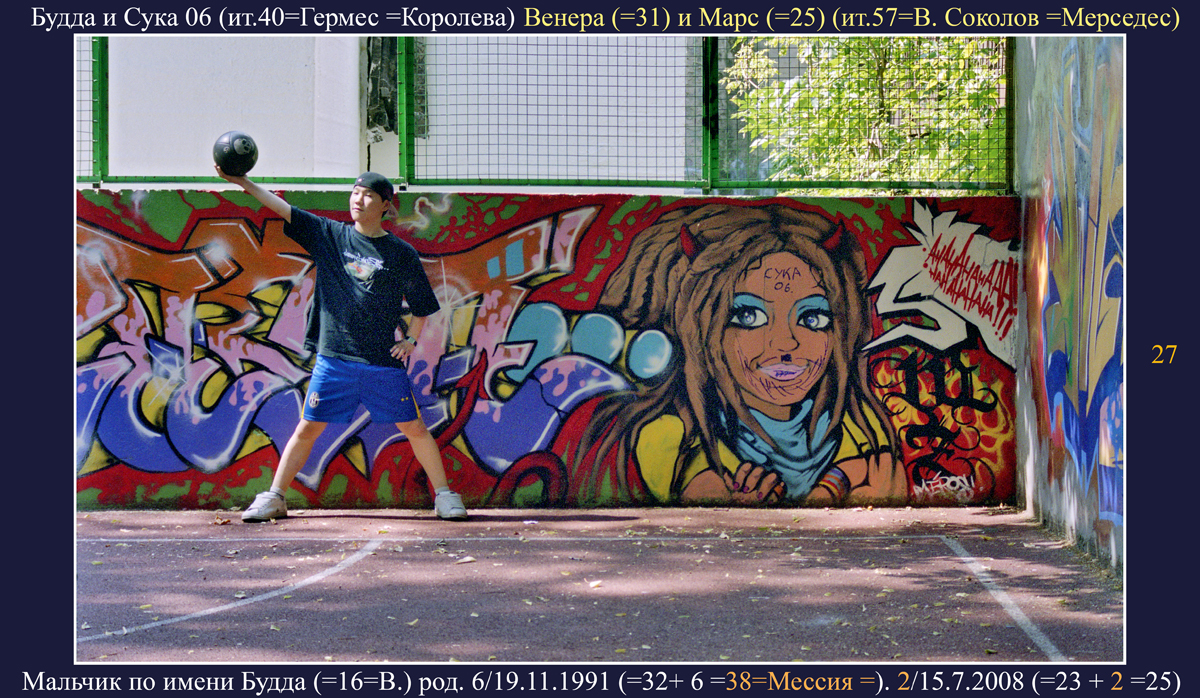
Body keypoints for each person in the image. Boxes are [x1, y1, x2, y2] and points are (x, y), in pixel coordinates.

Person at [571, 202, 905, 505]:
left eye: (812, 318)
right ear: (703, 330)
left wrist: (836, 489)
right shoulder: (671, 434)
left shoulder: (855, 426)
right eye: (748, 316)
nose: (785, 343)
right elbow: (705, 501)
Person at [215, 165, 468, 522]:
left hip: (381, 362)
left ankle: (444, 496)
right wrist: (242, 182)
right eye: (355, 193)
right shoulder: (330, 235)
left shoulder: (401, 253)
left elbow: (422, 305)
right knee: (308, 428)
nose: (358, 200)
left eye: (368, 195)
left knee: (414, 428)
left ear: (385, 205)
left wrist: (411, 339)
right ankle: (275, 497)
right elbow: (283, 208)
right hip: (334, 360)